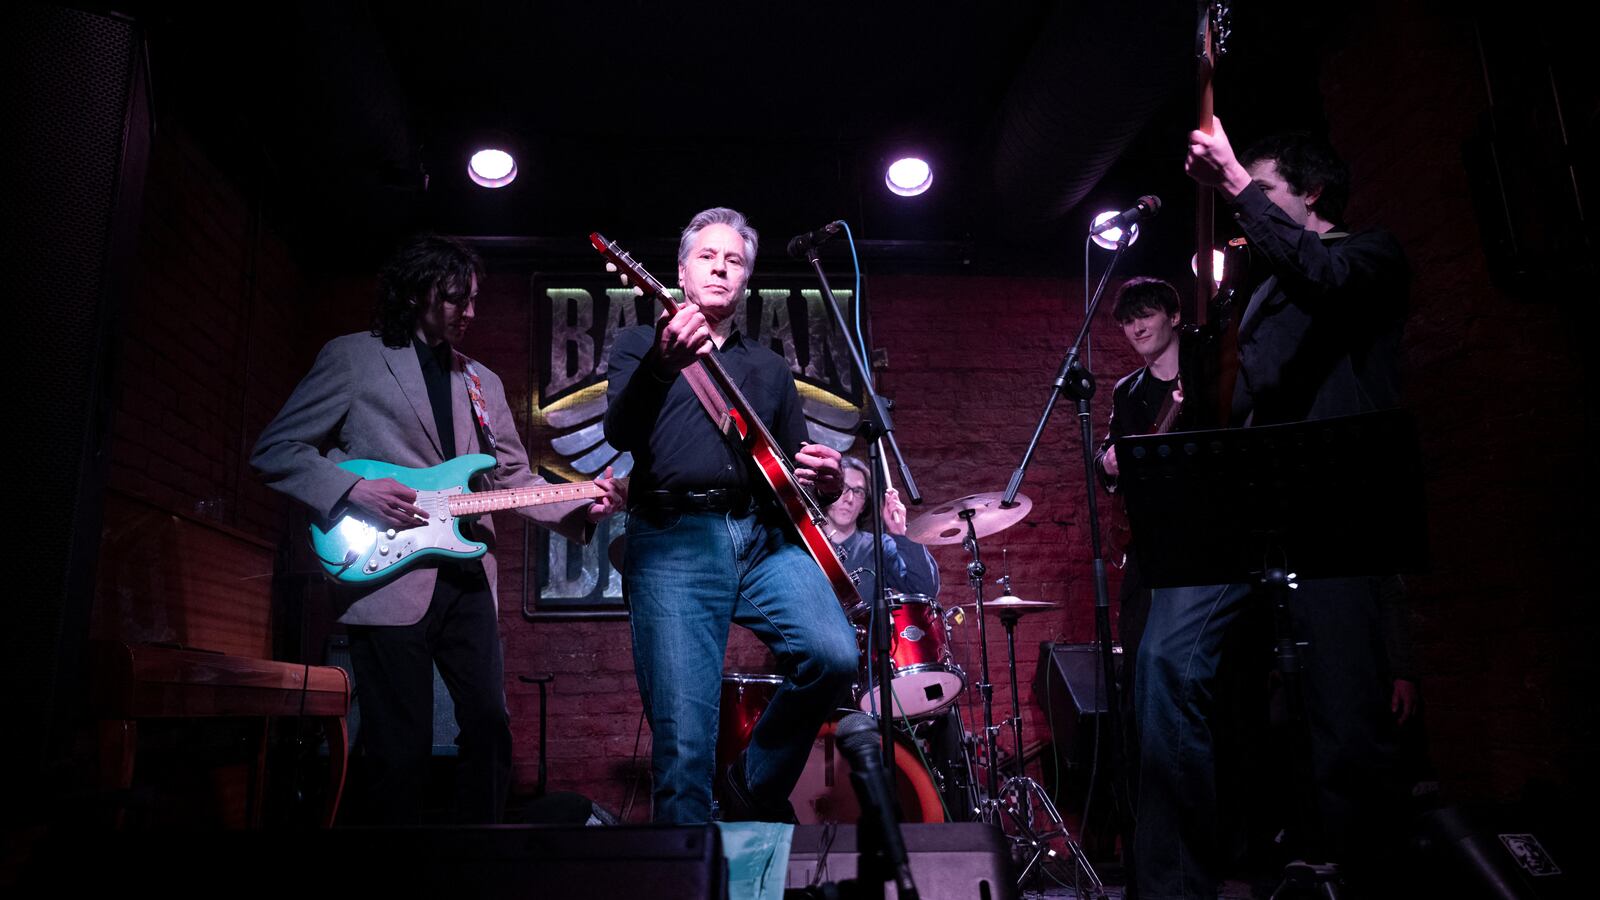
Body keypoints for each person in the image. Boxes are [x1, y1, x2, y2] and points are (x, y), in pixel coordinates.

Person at [251, 234, 623, 825]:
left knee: (489, 729)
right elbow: (276, 450)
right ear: (417, 292)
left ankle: (479, 861)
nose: (470, 312)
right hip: (386, 578)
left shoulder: (483, 382)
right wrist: (353, 489)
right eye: (456, 299)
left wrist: (580, 507)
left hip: (467, 578)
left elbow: (510, 478)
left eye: (474, 300)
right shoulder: (352, 358)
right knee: (400, 748)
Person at [1133, 123, 1410, 898]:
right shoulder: (1253, 287)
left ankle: (1370, 875)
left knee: (1345, 713)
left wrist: (1235, 182)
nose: (1246, 204)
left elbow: (1323, 274)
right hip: (1240, 507)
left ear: (1309, 193)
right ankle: (1173, 886)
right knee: (1163, 662)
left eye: (1268, 188)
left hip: (1330, 504)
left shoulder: (1368, 254)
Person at [604, 207, 859, 824]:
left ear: (746, 282)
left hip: (762, 537)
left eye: (734, 261)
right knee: (684, 745)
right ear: (682, 274)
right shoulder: (640, 344)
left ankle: (749, 787)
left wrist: (824, 479)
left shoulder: (768, 368)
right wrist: (663, 364)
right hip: (673, 539)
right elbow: (621, 430)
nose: (721, 267)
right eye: (707, 257)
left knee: (833, 655)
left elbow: (797, 474)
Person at [822, 456, 940, 612]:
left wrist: (901, 533)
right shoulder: (804, 544)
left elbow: (926, 590)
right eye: (843, 488)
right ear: (827, 492)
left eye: (858, 491)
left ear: (864, 505)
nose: (849, 498)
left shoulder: (879, 545)